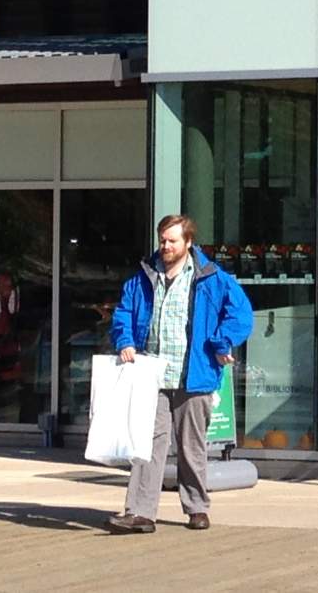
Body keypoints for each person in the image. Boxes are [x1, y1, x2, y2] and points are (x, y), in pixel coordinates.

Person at [104, 214, 252, 534]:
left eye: (172, 240)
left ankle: (197, 507)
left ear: (188, 242)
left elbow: (241, 313)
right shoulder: (143, 276)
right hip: (151, 375)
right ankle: (140, 512)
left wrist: (222, 341)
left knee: (191, 446)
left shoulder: (212, 277)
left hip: (194, 375)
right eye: (162, 240)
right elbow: (124, 313)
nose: (166, 246)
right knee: (147, 446)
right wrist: (125, 341)